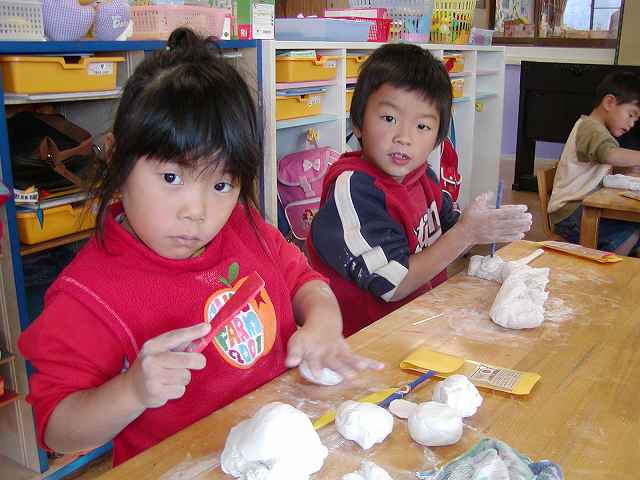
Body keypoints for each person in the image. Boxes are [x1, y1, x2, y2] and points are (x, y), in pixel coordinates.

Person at [18, 28, 382, 466]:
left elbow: (304, 281)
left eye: (222, 184)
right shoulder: (90, 294)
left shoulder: (243, 228)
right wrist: (132, 390)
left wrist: (323, 320)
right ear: (118, 161)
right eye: (172, 177)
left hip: (279, 455)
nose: (197, 212)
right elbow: (55, 426)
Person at [307, 44, 532, 337]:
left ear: (438, 139)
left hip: (417, 326)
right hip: (365, 342)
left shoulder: (423, 177)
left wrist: (485, 227)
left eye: (422, 126)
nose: (404, 138)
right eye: (389, 119)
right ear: (358, 124)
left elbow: (452, 231)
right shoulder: (354, 189)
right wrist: (466, 233)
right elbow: (394, 284)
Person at [548, 71, 640, 255]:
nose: (632, 124)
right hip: (571, 214)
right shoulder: (590, 128)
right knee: (633, 228)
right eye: (631, 114)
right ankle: (608, 265)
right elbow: (609, 155)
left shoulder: (600, 132)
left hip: (582, 208)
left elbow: (609, 163)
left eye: (636, 120)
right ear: (609, 102)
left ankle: (617, 258)